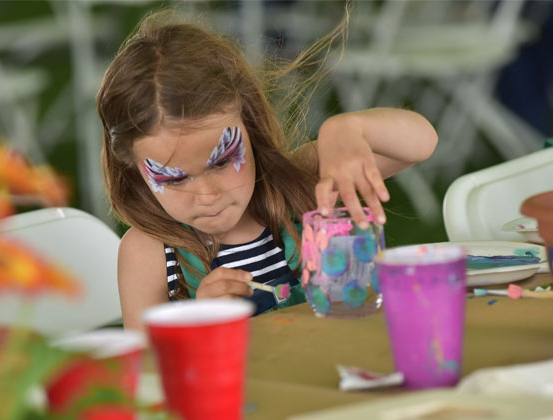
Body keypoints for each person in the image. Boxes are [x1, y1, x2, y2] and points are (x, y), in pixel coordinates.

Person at [96, 12, 438, 330]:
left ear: (250, 123)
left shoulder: (303, 183)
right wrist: (198, 322)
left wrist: (347, 128)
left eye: (222, 160)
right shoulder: (149, 253)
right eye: (173, 177)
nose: (207, 195)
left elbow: (422, 142)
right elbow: (145, 371)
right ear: (134, 168)